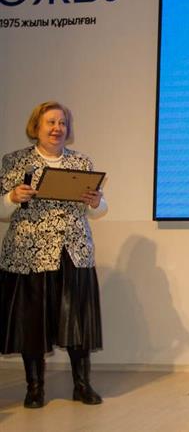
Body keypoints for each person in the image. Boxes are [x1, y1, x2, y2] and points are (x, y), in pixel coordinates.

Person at [0, 101, 107, 408]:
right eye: (50, 122)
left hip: (73, 252)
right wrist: (12, 197)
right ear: (36, 126)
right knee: (32, 323)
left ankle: (82, 385)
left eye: (62, 123)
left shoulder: (81, 162)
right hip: (29, 255)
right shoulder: (15, 161)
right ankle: (35, 388)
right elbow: (2, 210)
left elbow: (98, 208)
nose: (57, 128)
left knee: (76, 321)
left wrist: (96, 201)